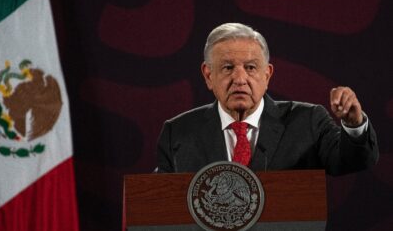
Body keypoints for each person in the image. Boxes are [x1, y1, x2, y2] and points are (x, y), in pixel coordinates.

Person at [156, 23, 379, 176]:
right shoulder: (178, 133)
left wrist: (354, 125)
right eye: (227, 67)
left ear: (267, 74)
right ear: (208, 75)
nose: (240, 78)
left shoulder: (307, 122)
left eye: (251, 67)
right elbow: (158, 207)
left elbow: (355, 162)